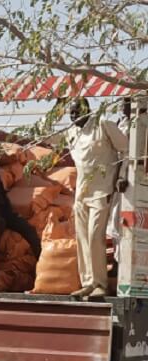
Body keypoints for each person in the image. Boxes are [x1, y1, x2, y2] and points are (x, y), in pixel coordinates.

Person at [65, 98, 129, 298]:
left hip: (102, 190)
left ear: (87, 110)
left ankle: (100, 283)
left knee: (95, 236)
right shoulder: (71, 133)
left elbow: (126, 150)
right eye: (71, 113)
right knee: (82, 237)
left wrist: (122, 176)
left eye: (77, 112)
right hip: (82, 193)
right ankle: (88, 283)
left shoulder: (104, 125)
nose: (73, 116)